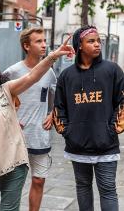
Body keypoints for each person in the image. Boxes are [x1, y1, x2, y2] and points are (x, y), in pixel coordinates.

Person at [0, 37, 74, 211]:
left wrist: (53, 56)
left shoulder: (6, 90)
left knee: (8, 209)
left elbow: (32, 76)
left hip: (13, 162)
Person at [53, 25, 124, 211]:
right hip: (77, 145)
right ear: (80, 46)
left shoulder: (113, 70)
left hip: (106, 145)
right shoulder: (66, 75)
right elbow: (59, 107)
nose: (97, 44)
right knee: (83, 187)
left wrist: (112, 130)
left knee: (108, 189)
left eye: (98, 41)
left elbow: (122, 102)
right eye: (91, 41)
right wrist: (68, 132)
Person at [3, 27, 56, 211]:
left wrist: (52, 113)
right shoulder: (12, 72)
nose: (44, 44)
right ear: (26, 46)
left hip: (40, 135)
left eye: (44, 40)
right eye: (38, 41)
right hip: (16, 137)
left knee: (39, 180)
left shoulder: (49, 73)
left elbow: (53, 100)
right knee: (12, 184)